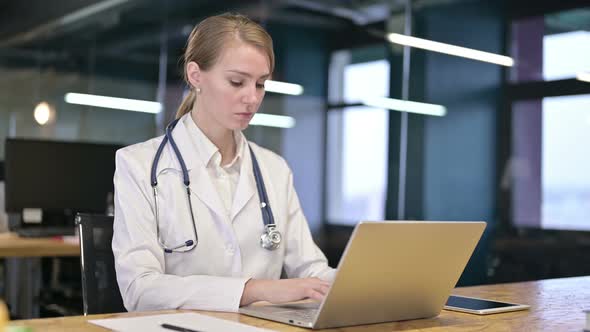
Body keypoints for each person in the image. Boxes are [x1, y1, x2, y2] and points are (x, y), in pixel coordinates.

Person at [112, 13, 335, 313]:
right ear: (195, 76)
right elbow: (139, 290)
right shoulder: (138, 165)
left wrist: (361, 285)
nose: (252, 98)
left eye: (260, 84)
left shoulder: (274, 169)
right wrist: (252, 290)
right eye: (237, 82)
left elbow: (311, 270)